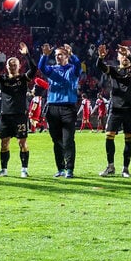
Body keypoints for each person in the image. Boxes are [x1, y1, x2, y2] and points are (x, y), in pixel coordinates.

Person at [0, 43, 38, 178]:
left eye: (15, 65)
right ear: (6, 67)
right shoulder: (2, 79)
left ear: (19, 66)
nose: (12, 66)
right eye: (10, 65)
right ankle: (4, 170)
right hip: (6, 116)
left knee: (22, 143)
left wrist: (27, 55)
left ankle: (24, 170)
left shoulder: (24, 78)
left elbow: (34, 69)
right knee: (4, 143)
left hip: (20, 115)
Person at [96, 44, 131, 177]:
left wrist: (128, 54)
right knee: (109, 136)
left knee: (129, 139)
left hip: (130, 110)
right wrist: (100, 57)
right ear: (118, 57)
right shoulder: (114, 70)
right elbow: (101, 66)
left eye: (127, 55)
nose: (125, 57)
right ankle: (110, 166)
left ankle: (125, 168)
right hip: (115, 109)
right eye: (122, 55)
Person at [38, 42, 82, 178]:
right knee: (56, 140)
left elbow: (79, 64)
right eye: (56, 55)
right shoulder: (52, 70)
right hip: (53, 108)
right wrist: (45, 56)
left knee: (68, 139)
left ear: (66, 56)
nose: (58, 57)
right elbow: (41, 67)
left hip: (68, 108)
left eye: (61, 54)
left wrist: (72, 54)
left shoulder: (73, 69)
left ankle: (70, 169)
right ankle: (60, 168)